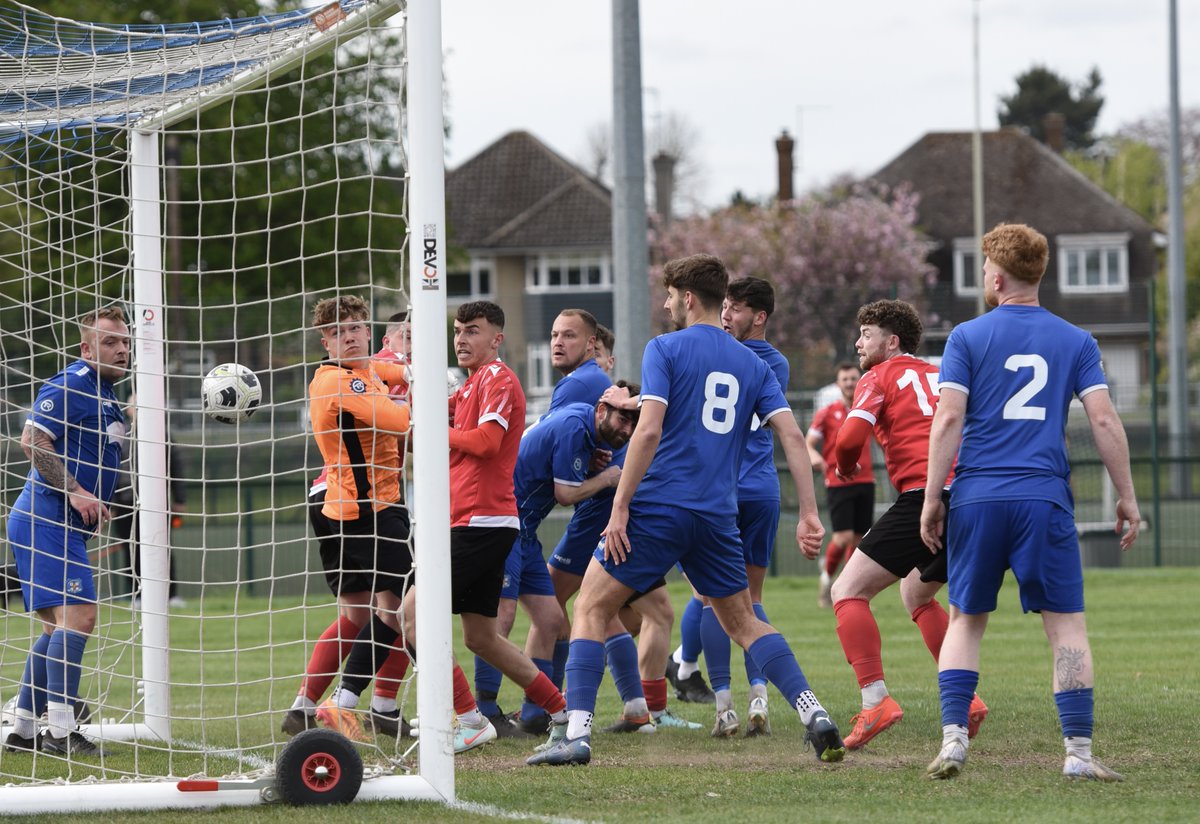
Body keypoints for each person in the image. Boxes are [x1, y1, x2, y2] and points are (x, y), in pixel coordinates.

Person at [528, 253, 844, 767]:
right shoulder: (753, 362)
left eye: (671, 295)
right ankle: (814, 713)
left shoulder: (665, 347)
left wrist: (620, 507)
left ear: (689, 298)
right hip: (717, 515)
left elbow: (648, 431)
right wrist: (810, 512)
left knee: (589, 606)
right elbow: (790, 434)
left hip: (658, 506)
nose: (667, 303)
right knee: (745, 623)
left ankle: (577, 735)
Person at [920, 223, 1140, 781]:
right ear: (1038, 274)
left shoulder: (967, 338)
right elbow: (1104, 419)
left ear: (995, 277)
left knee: (966, 620)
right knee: (1066, 626)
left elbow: (947, 418)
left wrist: (930, 498)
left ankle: (952, 743)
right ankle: (1079, 755)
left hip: (976, 496)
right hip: (1044, 496)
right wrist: (1129, 499)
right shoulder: (1077, 340)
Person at [402, 300, 569, 751]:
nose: (461, 338)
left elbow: (487, 442)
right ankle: (561, 711)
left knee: (413, 617)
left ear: (497, 338)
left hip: (482, 522)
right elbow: (428, 423)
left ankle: (467, 717)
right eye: (457, 330)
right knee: (481, 638)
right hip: (473, 520)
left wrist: (432, 430)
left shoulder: (498, 378)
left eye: (472, 330)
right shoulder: (471, 384)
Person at [829, 299, 988, 751]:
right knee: (916, 592)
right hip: (975, 496)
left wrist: (843, 464)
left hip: (926, 496)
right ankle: (969, 699)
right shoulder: (943, 370)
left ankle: (875, 700)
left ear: (892, 341)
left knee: (848, 591)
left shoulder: (878, 376)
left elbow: (850, 438)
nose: (859, 343)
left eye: (867, 334)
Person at [285, 296, 418, 743]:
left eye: (355, 328)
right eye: (339, 332)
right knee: (405, 608)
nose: (349, 336)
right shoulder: (344, 382)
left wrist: (413, 372)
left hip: (350, 507)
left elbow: (389, 373)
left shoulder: (367, 372)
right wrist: (432, 390)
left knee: (365, 613)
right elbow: (399, 421)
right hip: (364, 511)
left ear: (368, 331)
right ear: (326, 342)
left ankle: (313, 705)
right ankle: (354, 703)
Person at [4, 306, 129, 757]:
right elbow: (32, 441)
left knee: (59, 628)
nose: (121, 349)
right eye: (110, 341)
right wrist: (77, 490)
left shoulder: (108, 394)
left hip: (58, 522)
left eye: (125, 342)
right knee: (80, 618)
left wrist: (95, 496)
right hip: (46, 515)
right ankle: (60, 732)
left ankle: (21, 729)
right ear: (86, 347)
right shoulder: (72, 382)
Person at [692, 275, 791, 737]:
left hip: (723, 491)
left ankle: (725, 706)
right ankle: (760, 698)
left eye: (735, 308)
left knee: (713, 600)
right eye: (724, 307)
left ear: (760, 316)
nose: (726, 315)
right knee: (751, 600)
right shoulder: (779, 364)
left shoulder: (720, 356)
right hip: (764, 489)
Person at [807, 363, 876, 608]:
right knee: (843, 536)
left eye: (853, 378)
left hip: (866, 480)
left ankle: (847, 590)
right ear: (838, 384)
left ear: (860, 381)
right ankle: (826, 581)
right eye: (844, 379)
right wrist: (814, 456)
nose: (849, 383)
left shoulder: (867, 411)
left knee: (858, 541)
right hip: (838, 481)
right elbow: (809, 443)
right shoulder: (827, 412)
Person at [109, 393, 188, 607]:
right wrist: (111, 503)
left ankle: (170, 595)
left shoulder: (162, 434)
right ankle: (137, 595)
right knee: (130, 549)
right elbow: (110, 471)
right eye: (136, 406)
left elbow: (176, 468)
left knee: (162, 548)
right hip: (125, 502)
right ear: (128, 410)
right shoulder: (119, 435)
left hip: (156, 503)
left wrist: (179, 499)